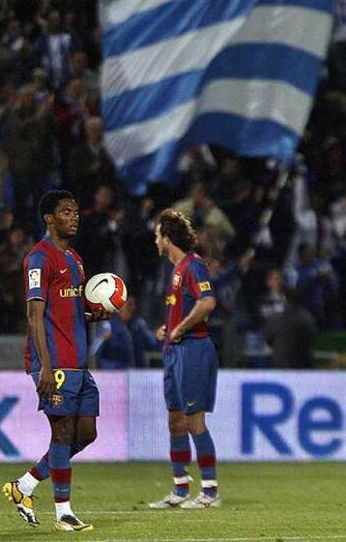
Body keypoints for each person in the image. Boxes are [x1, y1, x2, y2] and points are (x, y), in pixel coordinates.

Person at [2, 190, 105, 532]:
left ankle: (25, 486)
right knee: (61, 433)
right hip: (53, 363)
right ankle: (64, 513)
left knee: (86, 433)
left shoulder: (74, 259)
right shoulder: (39, 258)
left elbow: (73, 309)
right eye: (65, 212)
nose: (74, 217)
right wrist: (45, 366)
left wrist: (95, 311)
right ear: (49, 218)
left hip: (78, 361)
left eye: (75, 211)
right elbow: (35, 314)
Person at [149, 209, 220, 509]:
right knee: (175, 421)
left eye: (157, 235)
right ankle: (180, 490)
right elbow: (188, 307)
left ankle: (210, 492)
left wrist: (179, 328)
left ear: (167, 237)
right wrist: (169, 327)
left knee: (194, 421)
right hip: (175, 352)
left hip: (193, 350)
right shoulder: (177, 270)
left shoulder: (193, 265)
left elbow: (207, 302)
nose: (155, 241)